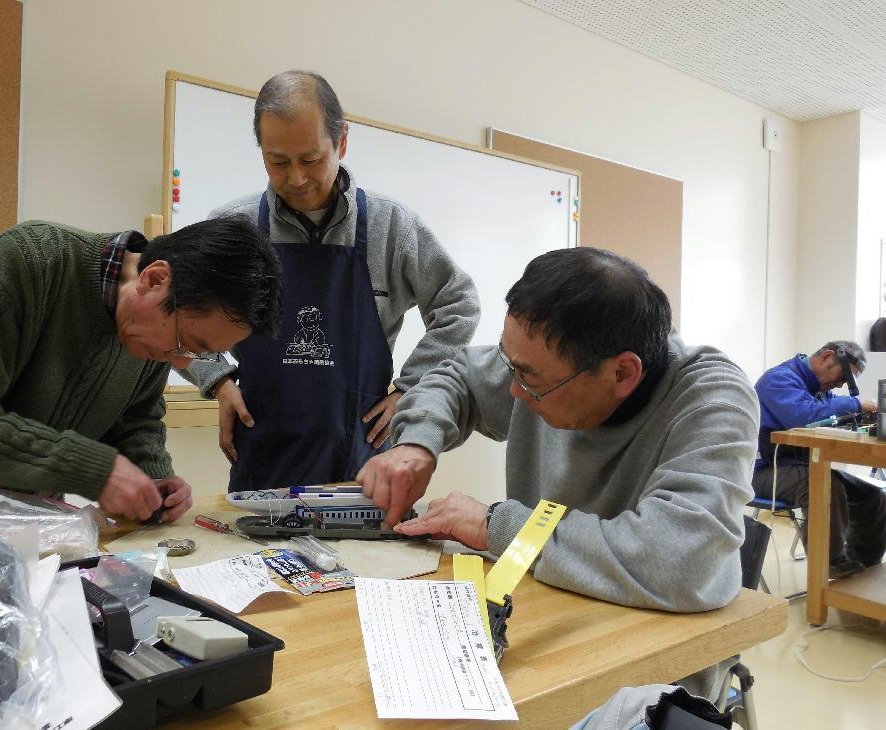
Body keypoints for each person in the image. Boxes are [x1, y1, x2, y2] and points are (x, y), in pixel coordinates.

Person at [357, 247, 760, 614]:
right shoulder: (548, 360)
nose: (513, 390)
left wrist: (495, 527)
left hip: (649, 657)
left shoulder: (712, 402)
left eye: (529, 378)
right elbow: (457, 375)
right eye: (508, 364)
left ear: (622, 373)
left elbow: (681, 562)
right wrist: (417, 444)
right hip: (543, 604)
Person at [0, 217, 281, 530]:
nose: (181, 362)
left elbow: (135, 420)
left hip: (3, 520)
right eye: (187, 343)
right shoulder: (30, 263)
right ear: (155, 280)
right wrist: (97, 470)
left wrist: (153, 483)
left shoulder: (149, 336)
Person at [182, 70, 480, 493]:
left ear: (341, 141)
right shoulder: (237, 227)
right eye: (278, 162)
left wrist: (410, 388)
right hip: (263, 463)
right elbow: (173, 310)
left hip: (361, 464)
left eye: (311, 159)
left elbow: (460, 304)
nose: (296, 179)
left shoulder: (390, 227)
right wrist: (216, 377)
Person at [752, 341, 886, 578]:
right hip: (762, 472)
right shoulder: (778, 379)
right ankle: (831, 565)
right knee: (823, 484)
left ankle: (862, 568)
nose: (841, 384)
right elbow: (804, 417)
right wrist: (855, 403)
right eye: (843, 376)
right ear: (826, 357)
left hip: (799, 469)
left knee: (874, 497)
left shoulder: (820, 389)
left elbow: (828, 418)